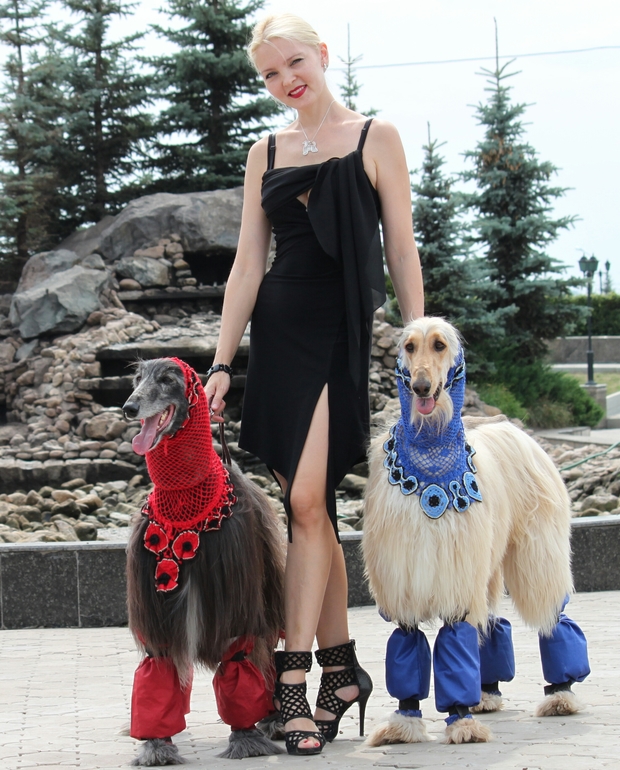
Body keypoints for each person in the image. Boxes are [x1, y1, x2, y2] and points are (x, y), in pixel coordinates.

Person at [205, 13, 424, 756]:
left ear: (321, 55)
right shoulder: (263, 151)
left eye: (294, 62)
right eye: (270, 73)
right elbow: (248, 263)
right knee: (313, 511)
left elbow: (400, 248)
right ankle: (341, 673)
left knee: (303, 504)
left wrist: (421, 349)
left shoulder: (375, 138)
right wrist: (223, 362)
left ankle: (292, 684)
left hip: (338, 333)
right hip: (278, 334)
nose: (285, 80)